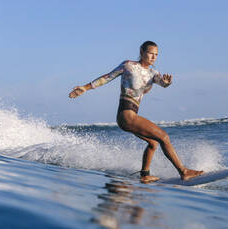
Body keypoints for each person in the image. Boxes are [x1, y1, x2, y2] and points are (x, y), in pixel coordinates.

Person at [69, 41, 203, 183]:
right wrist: (85, 87)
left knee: (153, 143)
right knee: (164, 137)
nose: (153, 57)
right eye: (150, 53)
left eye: (156, 54)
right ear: (142, 52)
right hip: (126, 114)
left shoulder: (153, 73)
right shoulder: (129, 66)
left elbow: (163, 84)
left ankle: (145, 175)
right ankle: (184, 171)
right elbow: (107, 77)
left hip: (131, 116)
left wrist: (167, 83)